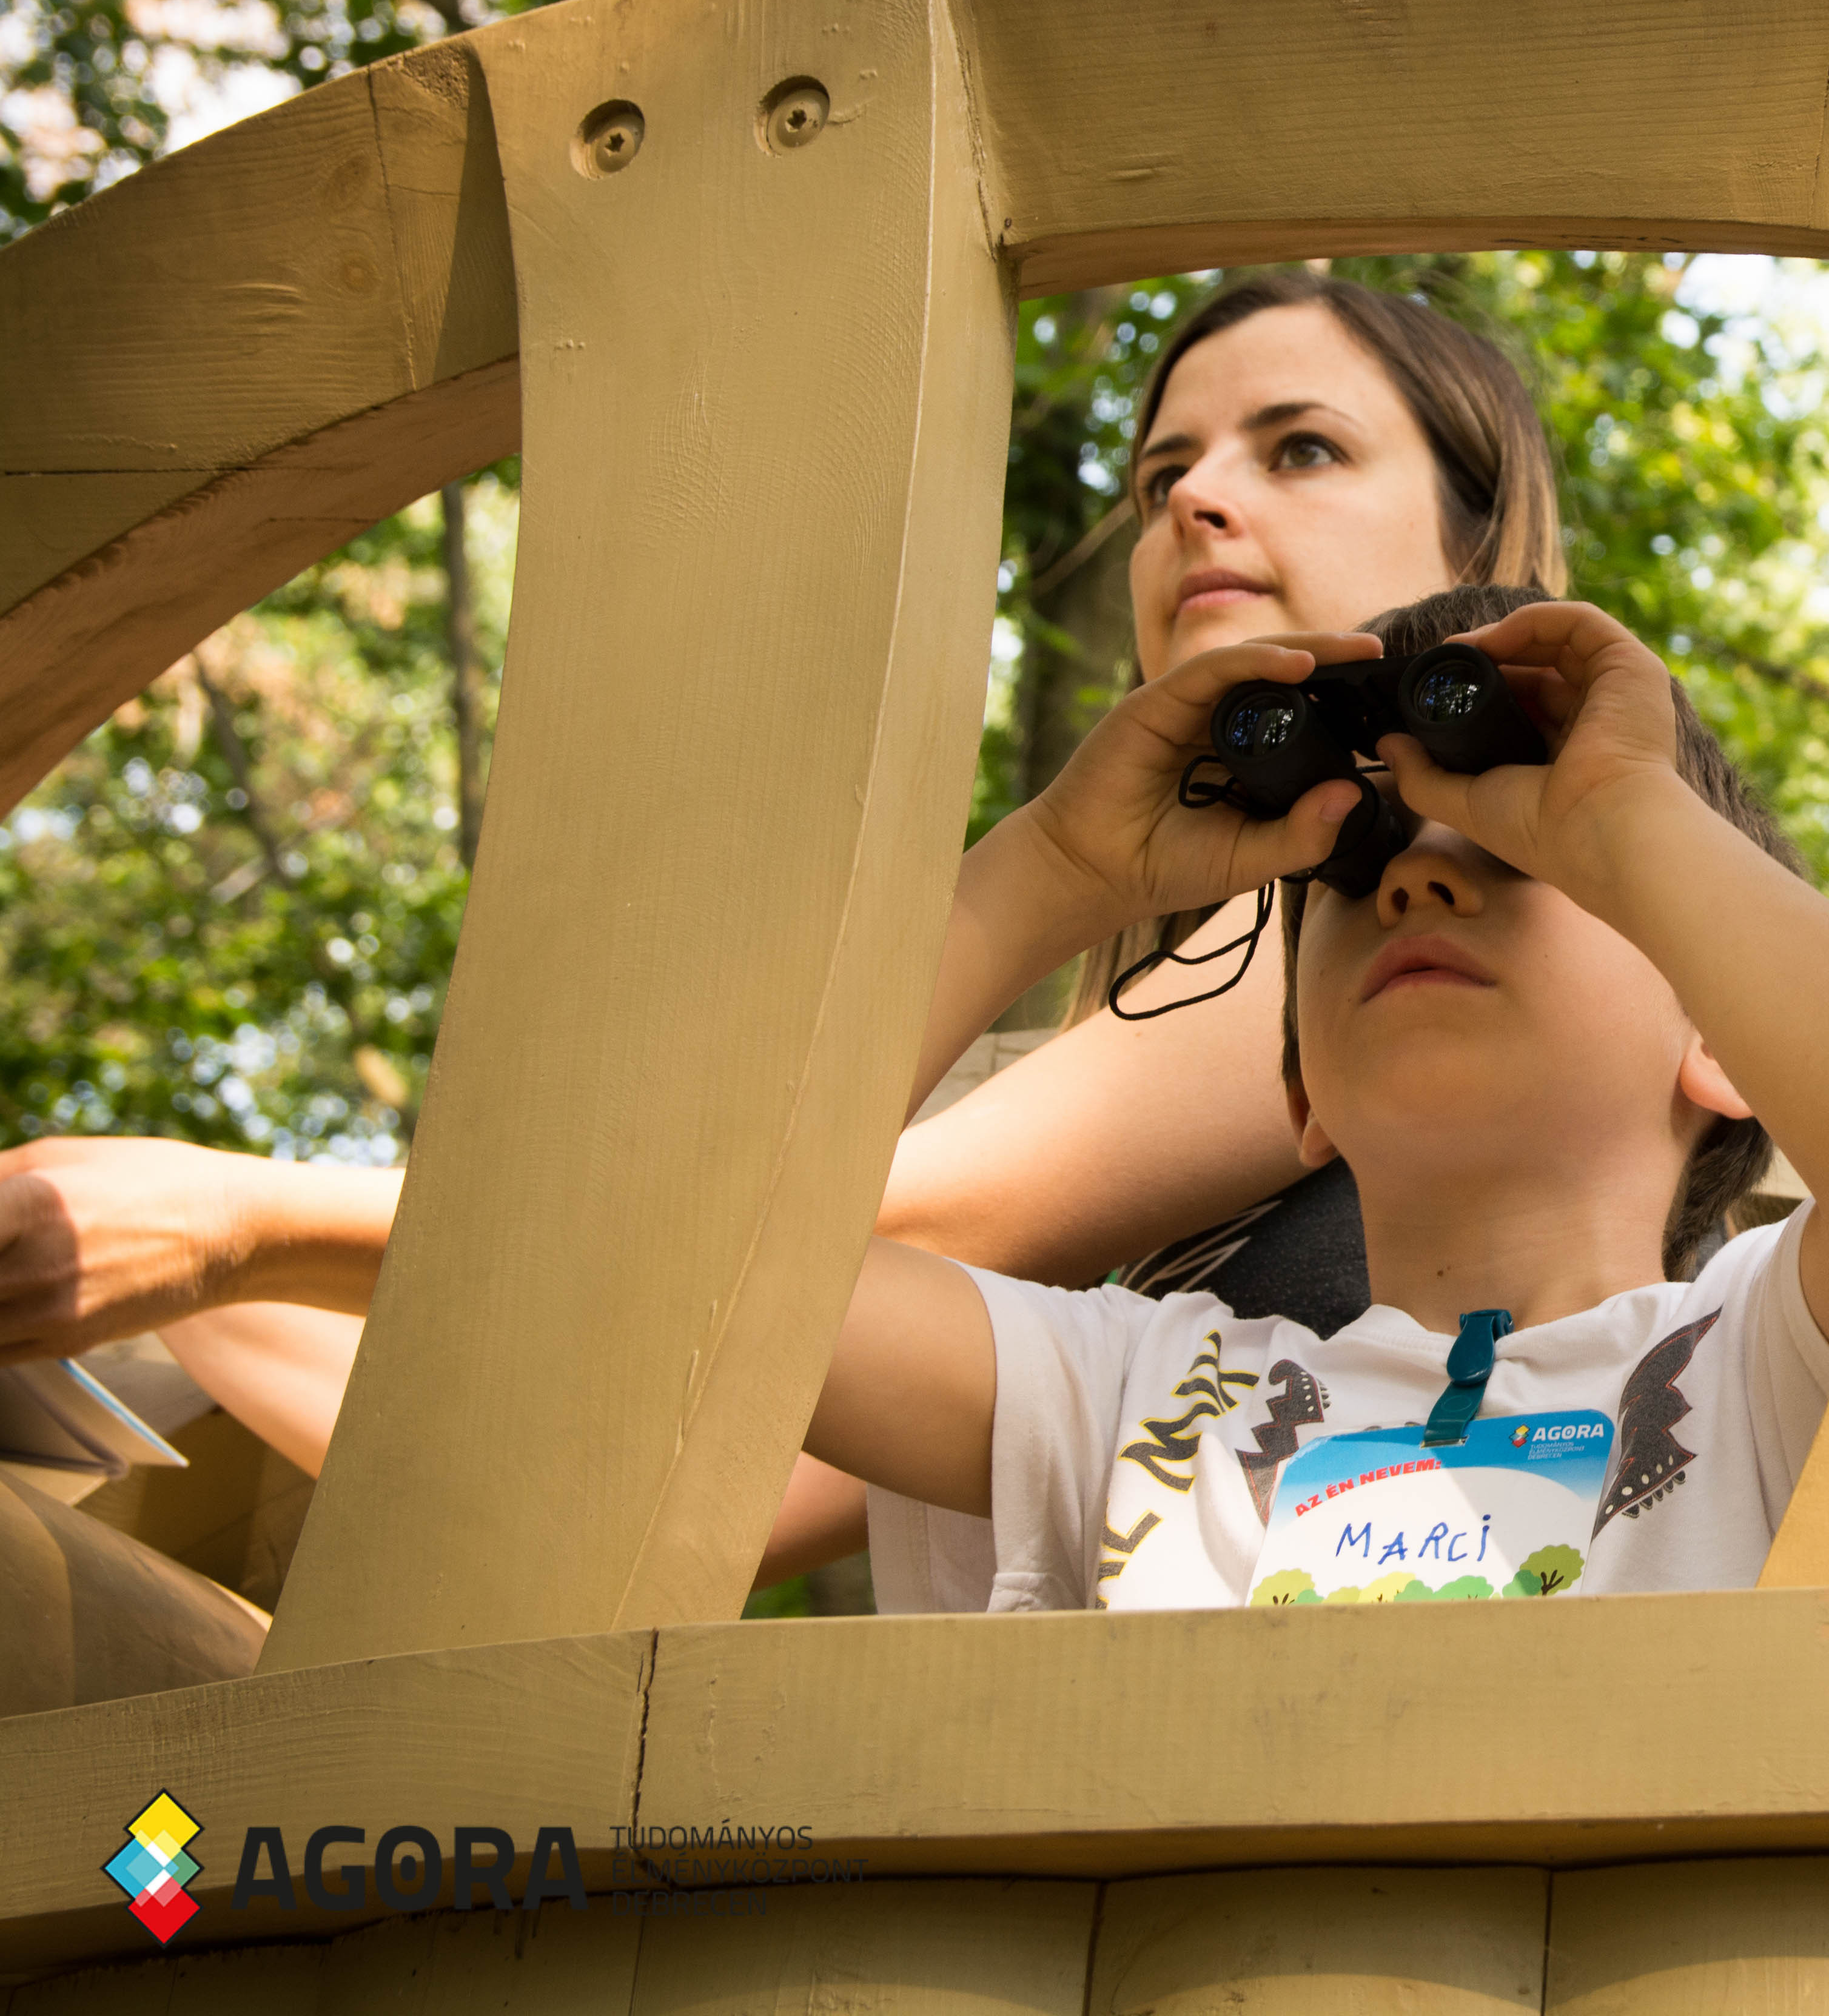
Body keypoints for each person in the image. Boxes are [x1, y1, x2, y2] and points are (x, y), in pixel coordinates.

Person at [0, 272, 1568, 1580]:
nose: (1198, 502)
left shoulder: (1419, 936)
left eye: (1299, 450)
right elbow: (723, 1475)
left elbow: (778, 1241)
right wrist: (190, 1280)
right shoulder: (1170, 997)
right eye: (1165, 478)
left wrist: (231, 1221)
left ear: (1474, 550)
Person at [826, 582, 1829, 1610]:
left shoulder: (1774, 1366)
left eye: (1519, 853)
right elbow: (711, 1270)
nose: (1411, 879)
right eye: (1352, 871)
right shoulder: (1141, 1404)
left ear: (1724, 1037)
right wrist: (1061, 867)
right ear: (1302, 1092)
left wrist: (1622, 815)